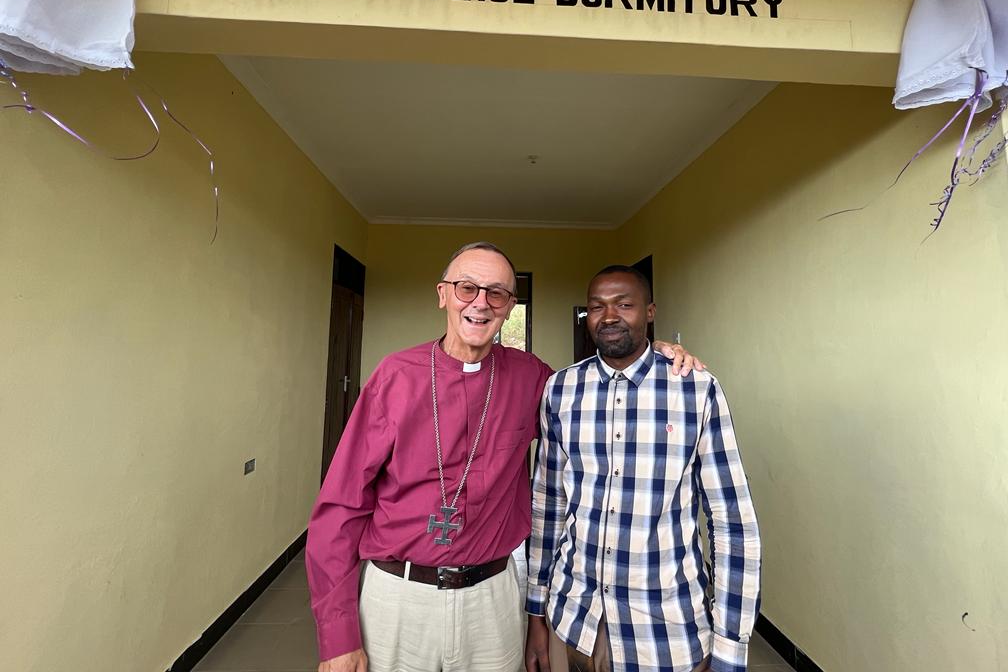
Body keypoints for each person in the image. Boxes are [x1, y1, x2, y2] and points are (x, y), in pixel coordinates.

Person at [306, 243, 703, 672]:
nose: (480, 303)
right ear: (443, 294)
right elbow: (340, 509)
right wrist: (337, 634)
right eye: (466, 288)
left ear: (510, 307)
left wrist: (654, 351)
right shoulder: (394, 376)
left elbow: (600, 393)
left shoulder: (532, 377)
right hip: (399, 597)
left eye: (497, 293)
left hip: (492, 599)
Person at [525, 265, 761, 672]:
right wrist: (535, 610)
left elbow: (731, 521)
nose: (610, 316)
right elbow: (548, 504)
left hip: (666, 631)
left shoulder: (695, 389)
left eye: (624, 304)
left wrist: (730, 646)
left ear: (649, 312)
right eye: (597, 307)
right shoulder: (561, 389)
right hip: (574, 619)